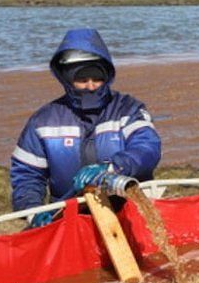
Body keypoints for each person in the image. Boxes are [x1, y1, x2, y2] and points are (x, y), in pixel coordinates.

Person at [11, 28, 161, 227]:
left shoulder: (129, 109)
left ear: (107, 76)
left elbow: (147, 149)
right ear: (66, 79)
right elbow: (27, 175)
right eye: (82, 79)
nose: (91, 86)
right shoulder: (43, 121)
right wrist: (34, 211)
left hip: (129, 212)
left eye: (97, 78)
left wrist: (113, 167)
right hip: (68, 219)